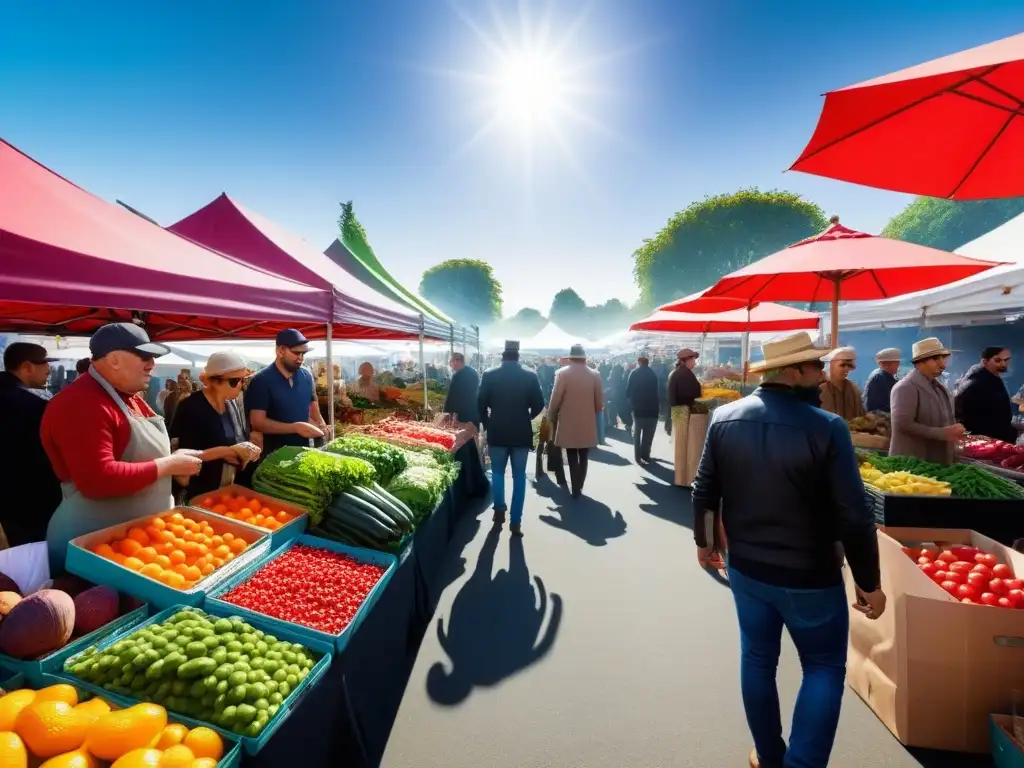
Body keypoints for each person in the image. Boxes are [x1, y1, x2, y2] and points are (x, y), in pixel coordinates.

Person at [691, 331, 884, 768]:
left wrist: (704, 544)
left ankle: (770, 755)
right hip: (810, 575)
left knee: (758, 659)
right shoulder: (828, 427)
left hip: (748, 569)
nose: (821, 375)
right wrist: (870, 582)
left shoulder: (725, 417)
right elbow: (854, 515)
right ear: (794, 372)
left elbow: (704, 492)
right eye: (816, 367)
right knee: (823, 667)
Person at [41, 323, 203, 571]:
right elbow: (97, 479)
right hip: (92, 546)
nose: (152, 364)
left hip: (132, 543)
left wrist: (172, 459)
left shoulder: (130, 397)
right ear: (114, 359)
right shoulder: (82, 404)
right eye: (144, 356)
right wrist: (168, 464)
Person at [169, 352, 262, 501]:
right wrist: (225, 452)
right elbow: (183, 455)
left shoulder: (232, 404)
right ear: (213, 381)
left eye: (243, 380)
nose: (241, 386)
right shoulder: (191, 407)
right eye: (234, 381)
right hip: (200, 494)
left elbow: (235, 441)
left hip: (227, 490)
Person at [477, 341, 545, 537]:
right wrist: (527, 417)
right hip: (521, 431)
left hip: (497, 430)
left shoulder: (489, 375)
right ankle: (516, 521)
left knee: (497, 473)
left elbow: (480, 403)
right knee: (519, 476)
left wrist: (488, 423)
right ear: (518, 356)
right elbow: (539, 404)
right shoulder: (530, 375)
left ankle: (499, 508)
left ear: (502, 356)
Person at [0, 343, 62, 546]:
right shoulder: (35, 405)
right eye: (45, 363)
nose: (49, 369)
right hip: (31, 499)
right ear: (27, 367)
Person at [244, 329, 328, 455]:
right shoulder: (261, 380)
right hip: (273, 454)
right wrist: (295, 428)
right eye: (296, 353)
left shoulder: (306, 376)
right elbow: (257, 423)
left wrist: (322, 425)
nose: (300, 358)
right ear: (280, 351)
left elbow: (314, 409)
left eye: (303, 354)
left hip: (304, 452)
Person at [889, 337, 964, 464]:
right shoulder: (905, 387)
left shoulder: (940, 388)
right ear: (919, 362)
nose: (942, 364)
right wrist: (942, 433)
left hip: (935, 460)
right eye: (935, 359)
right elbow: (903, 424)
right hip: (911, 464)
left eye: (942, 358)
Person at [548, 344, 604, 499]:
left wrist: (552, 414)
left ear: (570, 357)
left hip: (568, 419)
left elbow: (555, 398)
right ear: (584, 357)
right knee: (584, 453)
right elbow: (599, 403)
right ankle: (579, 484)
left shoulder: (562, 374)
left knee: (572, 452)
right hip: (588, 420)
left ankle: (575, 488)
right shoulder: (595, 374)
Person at [954, 346, 1017, 443]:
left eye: (1006, 360)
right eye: (997, 360)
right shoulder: (975, 383)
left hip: (999, 439)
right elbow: (962, 415)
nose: (1003, 364)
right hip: (986, 442)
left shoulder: (994, 378)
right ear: (985, 362)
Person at [626, 355, 660, 463]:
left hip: (638, 409)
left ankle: (638, 458)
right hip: (652, 409)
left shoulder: (634, 373)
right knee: (648, 435)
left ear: (639, 362)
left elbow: (628, 391)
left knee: (637, 435)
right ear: (647, 363)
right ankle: (646, 455)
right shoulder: (653, 374)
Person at [818, 347, 865, 420]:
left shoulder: (853, 388)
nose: (846, 369)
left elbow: (860, 415)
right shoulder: (821, 389)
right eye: (842, 365)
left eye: (849, 365)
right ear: (831, 364)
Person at [666, 348, 701, 432]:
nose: (694, 362)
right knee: (681, 438)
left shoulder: (681, 372)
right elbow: (690, 393)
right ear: (683, 361)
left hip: (679, 410)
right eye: (692, 360)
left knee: (679, 438)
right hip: (682, 411)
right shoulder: (683, 374)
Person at [443, 352, 480, 428]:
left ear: (457, 361)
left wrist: (447, 413)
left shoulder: (458, 375)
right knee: (472, 434)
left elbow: (452, 396)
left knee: (464, 437)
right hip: (474, 411)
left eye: (451, 361)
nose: (451, 364)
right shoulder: (472, 372)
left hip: (463, 414)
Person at [863, 348, 901, 413]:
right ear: (885, 364)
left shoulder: (886, 376)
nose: (898, 366)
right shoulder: (879, 378)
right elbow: (873, 407)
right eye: (896, 363)